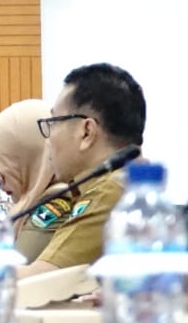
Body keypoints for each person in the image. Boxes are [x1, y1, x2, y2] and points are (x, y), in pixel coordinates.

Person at [19, 63, 147, 276]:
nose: (49, 139)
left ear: (86, 132)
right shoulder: (122, 182)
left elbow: (43, 277)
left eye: (53, 123)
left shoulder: (109, 190)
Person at [0, 99, 65, 262]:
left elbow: (14, 269)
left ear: (29, 156)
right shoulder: (29, 203)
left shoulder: (56, 202)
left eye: (5, 164)